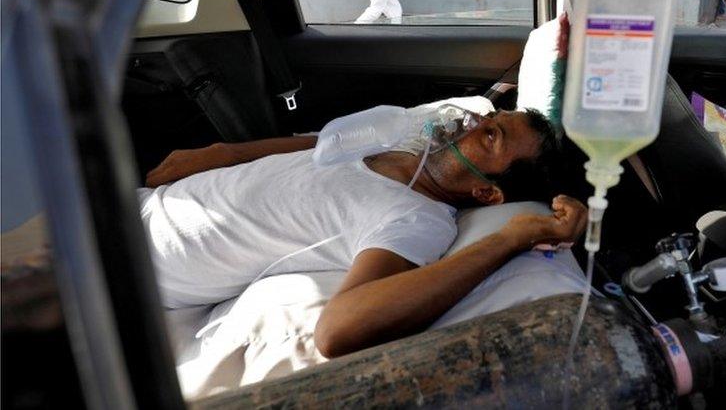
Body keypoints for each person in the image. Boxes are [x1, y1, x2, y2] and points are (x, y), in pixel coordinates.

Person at [139, 108, 586, 358]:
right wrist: (223, 152)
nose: (470, 124)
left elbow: (338, 329)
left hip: (130, 265)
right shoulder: (398, 144)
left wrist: (510, 238)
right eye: (487, 116)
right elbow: (315, 145)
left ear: (487, 193)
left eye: (490, 137)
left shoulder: (415, 219)